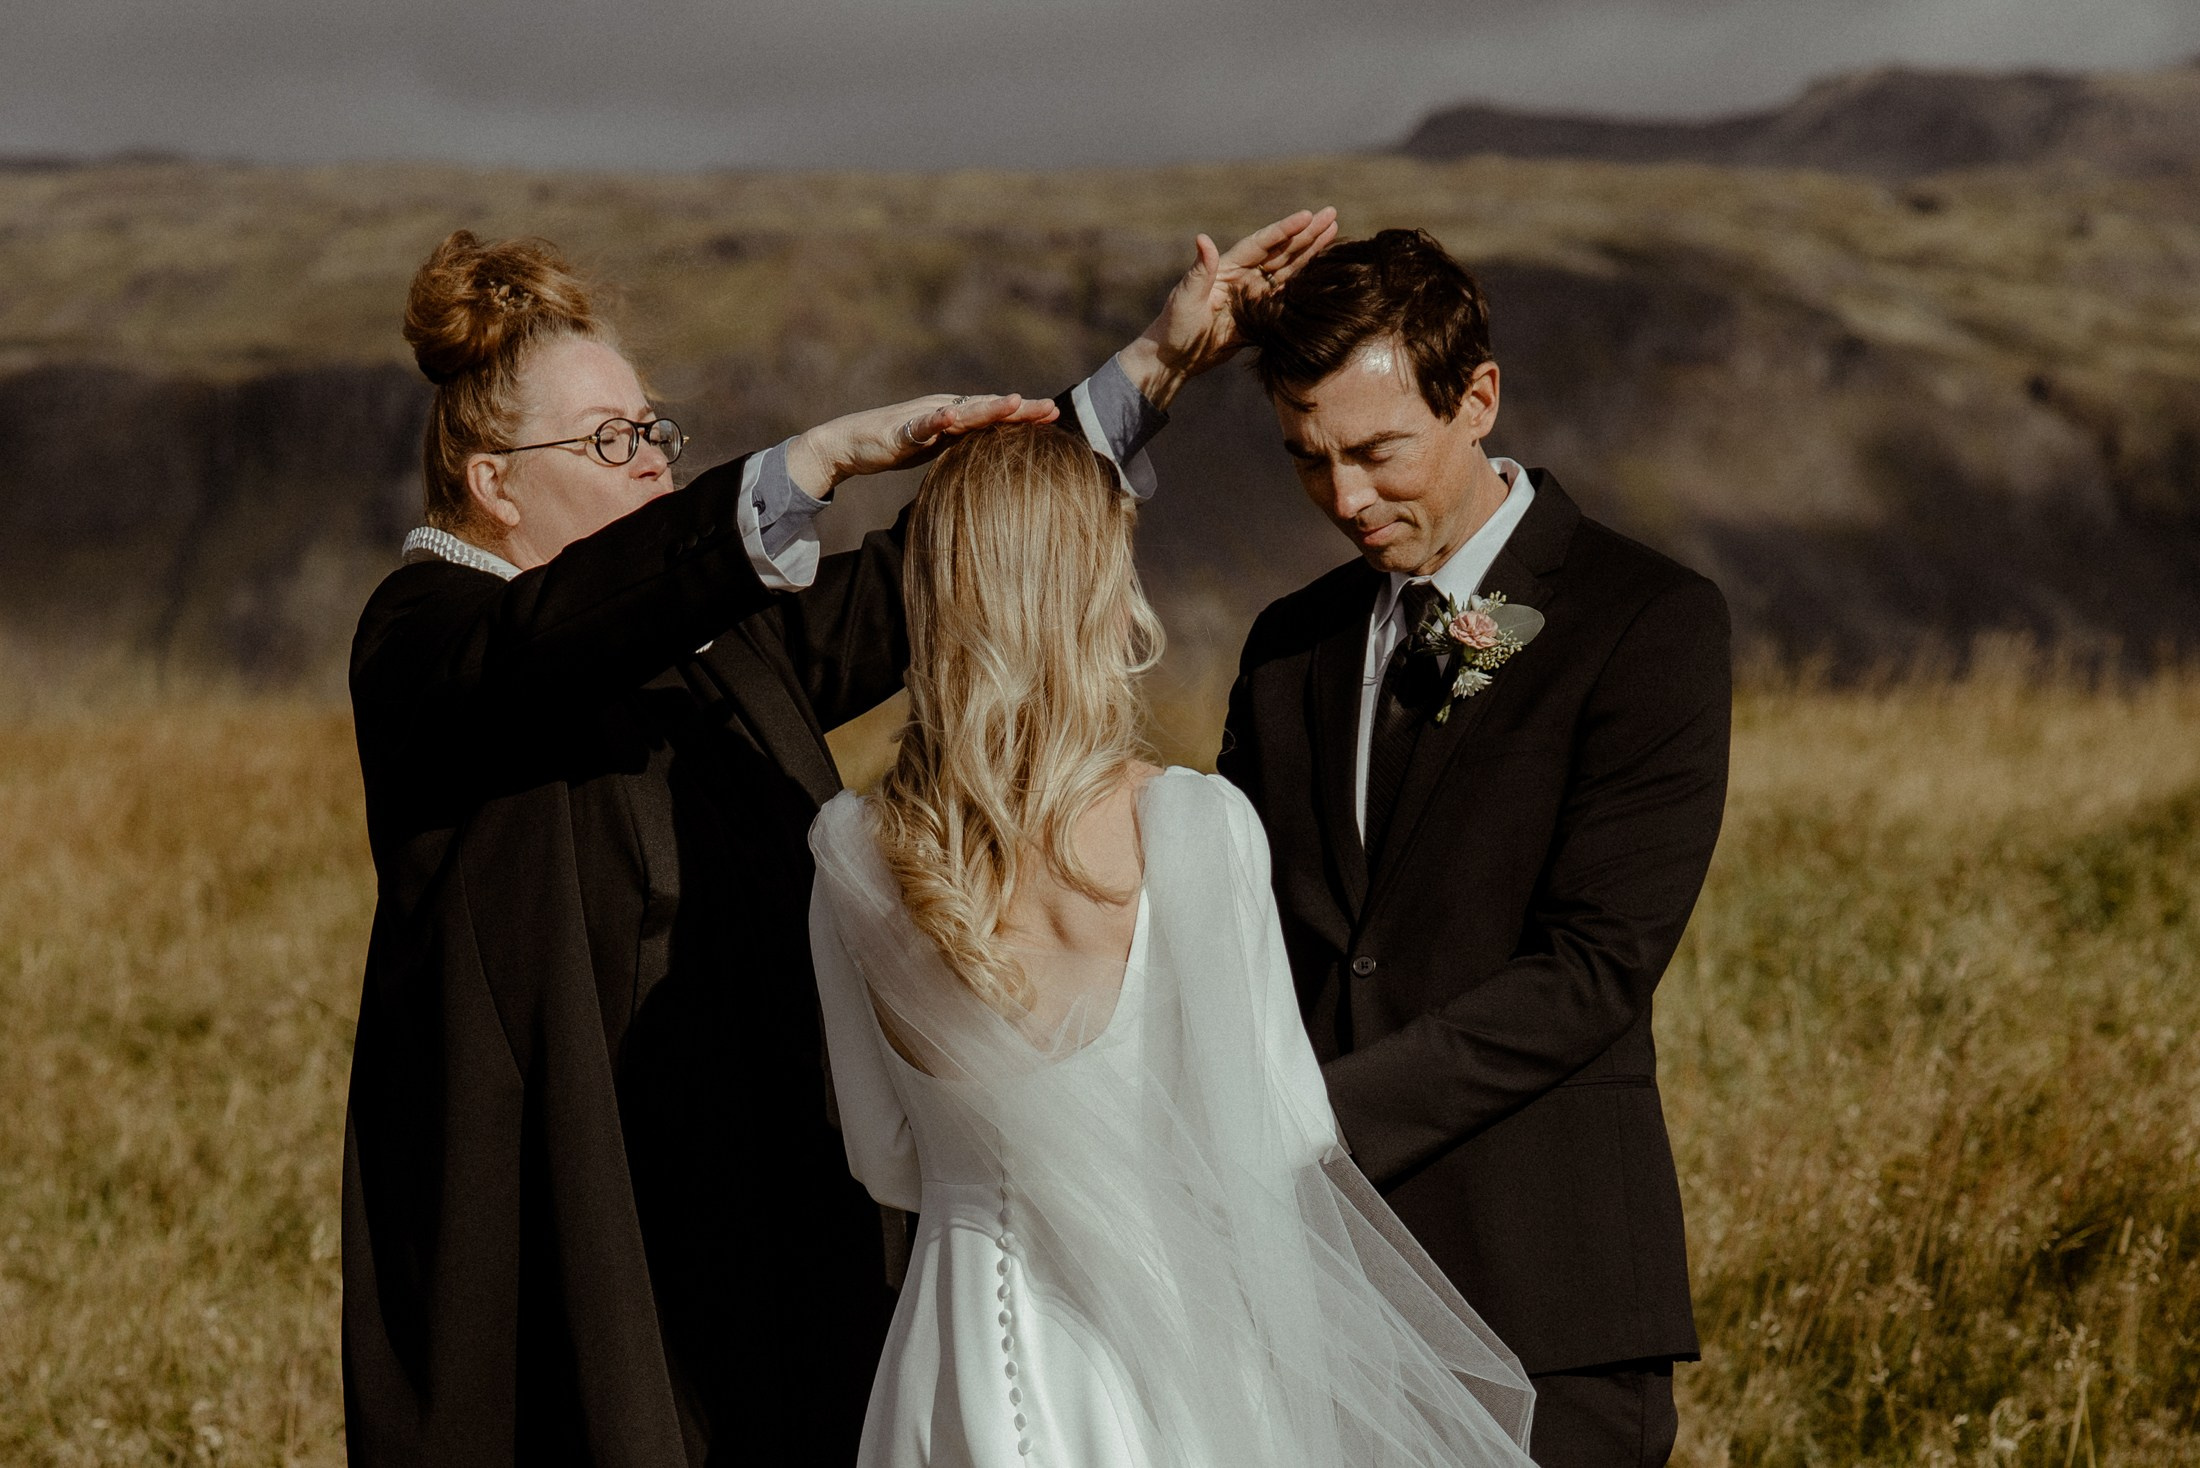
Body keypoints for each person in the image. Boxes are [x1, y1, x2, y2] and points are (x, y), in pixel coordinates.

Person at [342, 211, 1334, 1467]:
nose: (652, 463)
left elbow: (960, 567)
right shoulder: (426, 640)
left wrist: (1152, 365)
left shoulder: (709, 651)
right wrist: (804, 462)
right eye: (612, 440)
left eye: (657, 429)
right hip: (572, 1243)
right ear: (493, 481)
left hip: (755, 1238)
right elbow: (548, 642)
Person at [807, 422, 1537, 1468]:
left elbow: (882, 1158)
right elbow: (1274, 1137)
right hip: (1157, 1356)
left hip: (950, 1347)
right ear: (1097, 588)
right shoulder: (1190, 827)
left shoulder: (848, 851)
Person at [1217, 228, 1732, 1468]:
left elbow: (1594, 968)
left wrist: (1304, 1122)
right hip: (1314, 1299)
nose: (1345, 499)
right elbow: (1231, 927)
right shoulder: (1288, 644)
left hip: (1544, 1290)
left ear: (1478, 398)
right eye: (1307, 460)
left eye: (1376, 451)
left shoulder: (1644, 620)